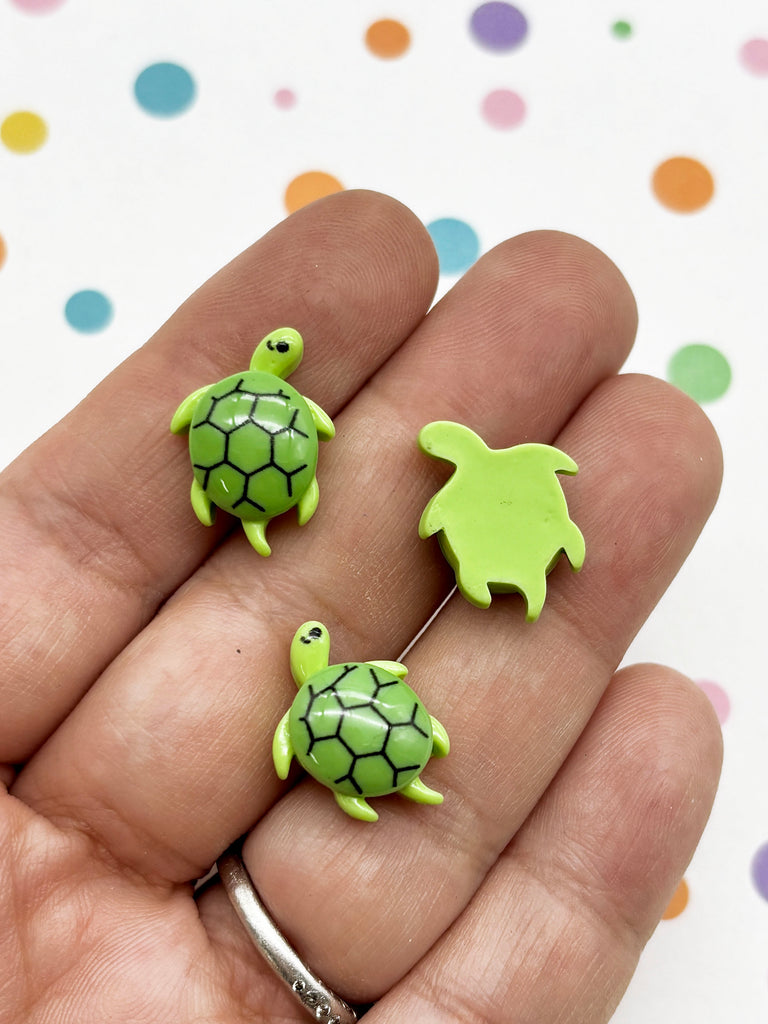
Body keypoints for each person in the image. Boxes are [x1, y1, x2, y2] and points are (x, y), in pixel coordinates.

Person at [0, 190, 722, 1023]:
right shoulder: (322, 679)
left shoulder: (304, 703)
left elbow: (294, 737)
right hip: (361, 681)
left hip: (347, 667)